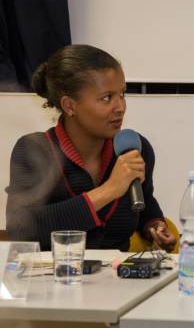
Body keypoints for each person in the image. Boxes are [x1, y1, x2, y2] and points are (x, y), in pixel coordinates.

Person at [5, 44, 176, 251]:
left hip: (119, 279)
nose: (120, 107)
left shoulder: (134, 147)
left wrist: (153, 226)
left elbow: (143, 201)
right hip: (53, 278)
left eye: (122, 94)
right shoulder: (34, 149)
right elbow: (22, 230)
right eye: (107, 98)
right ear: (70, 105)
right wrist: (109, 190)